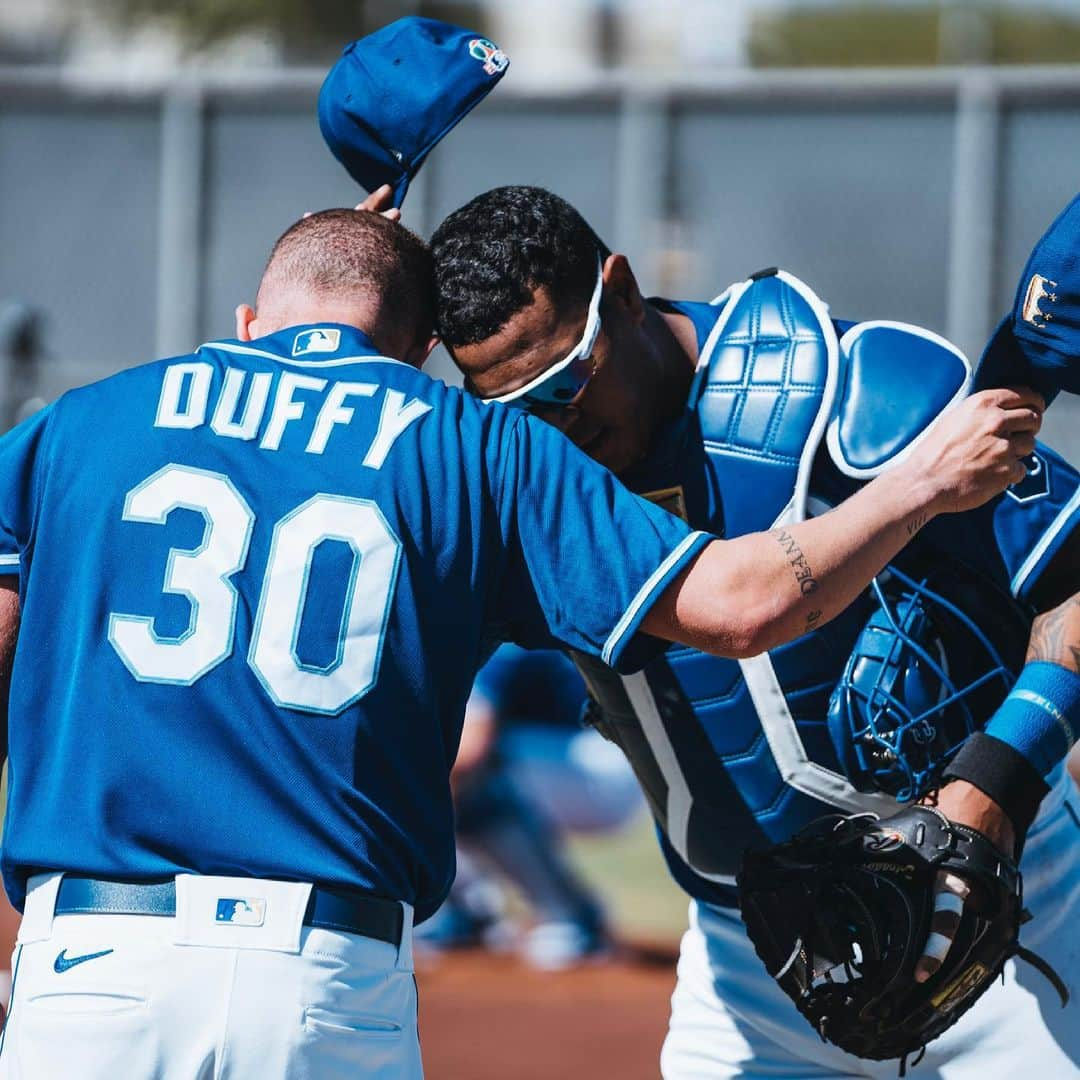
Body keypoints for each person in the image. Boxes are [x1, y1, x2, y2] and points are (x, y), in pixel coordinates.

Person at [0, 206, 1030, 1078]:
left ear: (245, 321)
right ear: (417, 354)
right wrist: (923, 481)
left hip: (89, 968)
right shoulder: (467, 445)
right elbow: (741, 602)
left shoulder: (75, 427)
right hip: (321, 981)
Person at [428, 185, 1080, 1077]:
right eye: (517, 407)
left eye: (567, 379)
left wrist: (998, 784)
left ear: (618, 288)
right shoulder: (517, 467)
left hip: (998, 907)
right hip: (751, 958)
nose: (556, 424)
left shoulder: (851, 388)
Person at [419, 643, 642, 968]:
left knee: (469, 772)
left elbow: (471, 749)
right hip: (561, 759)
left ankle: (574, 917)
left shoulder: (489, 634)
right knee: (439, 770)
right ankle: (466, 910)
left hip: (599, 767)